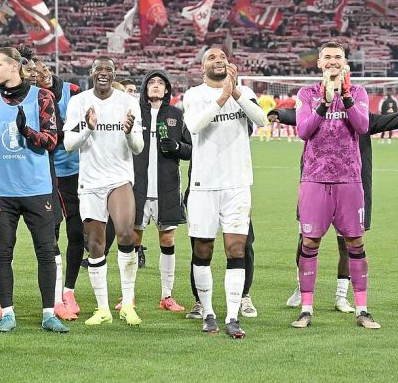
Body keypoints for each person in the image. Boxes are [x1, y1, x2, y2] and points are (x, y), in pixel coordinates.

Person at [272, 102, 398, 312]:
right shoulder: (319, 109)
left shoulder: (361, 117)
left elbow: (389, 120)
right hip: (316, 183)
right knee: (306, 239)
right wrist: (280, 113)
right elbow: (298, 115)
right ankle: (301, 288)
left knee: (348, 241)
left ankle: (341, 295)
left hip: (351, 185)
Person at [0, 47, 67, 333]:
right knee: (3, 252)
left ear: (14, 67)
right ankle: (7, 313)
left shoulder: (42, 97)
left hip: (37, 187)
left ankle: (49, 314)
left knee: (46, 250)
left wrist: (27, 131)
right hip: (1, 188)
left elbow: (52, 142)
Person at [291, 41, 379, 330]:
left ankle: (363, 310)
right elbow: (304, 130)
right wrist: (324, 103)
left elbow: (363, 126)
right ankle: (306, 309)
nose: (332, 61)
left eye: (337, 57)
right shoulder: (306, 94)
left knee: (355, 242)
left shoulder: (358, 93)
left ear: (345, 63)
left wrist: (344, 97)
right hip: (315, 179)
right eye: (327, 57)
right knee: (309, 242)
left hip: (349, 179)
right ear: (319, 63)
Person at [183, 49, 267, 338]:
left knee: (236, 249)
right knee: (202, 250)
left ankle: (232, 317)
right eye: (211, 58)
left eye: (222, 57)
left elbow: (262, 120)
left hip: (237, 184)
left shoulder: (245, 91)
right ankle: (208, 312)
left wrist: (237, 95)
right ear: (202, 66)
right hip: (203, 185)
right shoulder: (194, 94)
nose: (218, 60)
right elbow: (194, 125)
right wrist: (222, 97)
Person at [64, 56, 144, 326]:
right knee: (96, 244)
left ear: (114, 74)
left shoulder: (128, 102)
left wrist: (131, 132)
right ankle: (102, 308)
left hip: (119, 178)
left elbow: (138, 147)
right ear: (91, 72)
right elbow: (69, 144)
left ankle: (128, 303)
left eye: (109, 70)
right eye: (99, 69)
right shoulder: (79, 102)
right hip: (90, 182)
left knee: (125, 233)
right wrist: (88, 128)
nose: (104, 73)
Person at [132, 70, 192, 313]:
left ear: (167, 90)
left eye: (160, 83)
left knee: (167, 240)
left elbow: (192, 150)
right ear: (145, 88)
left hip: (167, 189)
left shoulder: (176, 115)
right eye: (152, 83)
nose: (156, 86)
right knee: (133, 240)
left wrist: (177, 146)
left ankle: (167, 295)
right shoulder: (135, 114)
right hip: (137, 189)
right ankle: (129, 295)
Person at [34, 58, 84, 320]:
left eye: (42, 69)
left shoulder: (73, 92)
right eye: (33, 72)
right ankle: (54, 297)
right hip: (44, 173)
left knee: (77, 232)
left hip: (75, 172)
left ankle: (69, 290)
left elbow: (80, 126)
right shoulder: (31, 96)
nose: (40, 74)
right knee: (49, 234)